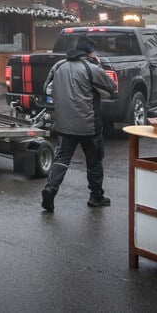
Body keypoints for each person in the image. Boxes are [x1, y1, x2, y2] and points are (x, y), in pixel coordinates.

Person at [40, 36, 117, 212]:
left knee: (62, 158)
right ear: (90, 52)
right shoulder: (91, 69)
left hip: (64, 124)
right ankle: (96, 196)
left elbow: (47, 89)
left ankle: (51, 188)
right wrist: (99, 66)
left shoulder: (58, 66)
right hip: (89, 125)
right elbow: (111, 88)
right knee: (94, 160)